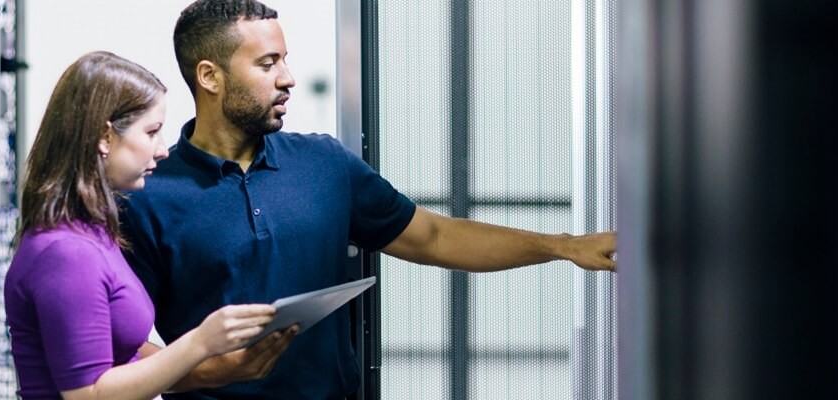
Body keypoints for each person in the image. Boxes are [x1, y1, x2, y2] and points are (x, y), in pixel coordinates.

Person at [118, 1, 618, 398]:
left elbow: (436, 236)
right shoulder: (145, 197)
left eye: (285, 59)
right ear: (210, 77)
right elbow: (122, 354)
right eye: (268, 63)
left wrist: (564, 247)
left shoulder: (324, 164)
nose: (287, 77)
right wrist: (208, 372)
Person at [4, 51, 279, 400]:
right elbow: (88, 395)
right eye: (152, 132)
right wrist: (200, 342)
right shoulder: (67, 252)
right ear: (105, 137)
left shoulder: (93, 233)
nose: (163, 150)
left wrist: (218, 365)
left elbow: (126, 358)